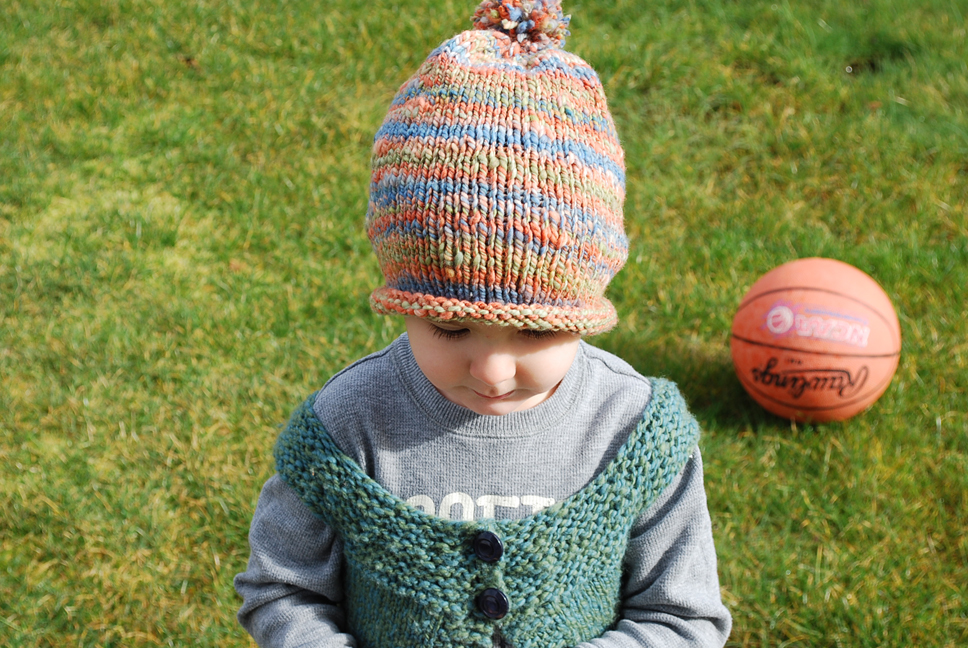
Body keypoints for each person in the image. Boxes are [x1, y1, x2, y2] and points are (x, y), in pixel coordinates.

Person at [234, 1, 732, 646]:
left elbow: (682, 617)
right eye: (450, 328)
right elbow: (283, 591)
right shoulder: (350, 424)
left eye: (535, 333)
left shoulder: (633, 433)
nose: (492, 371)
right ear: (406, 303)